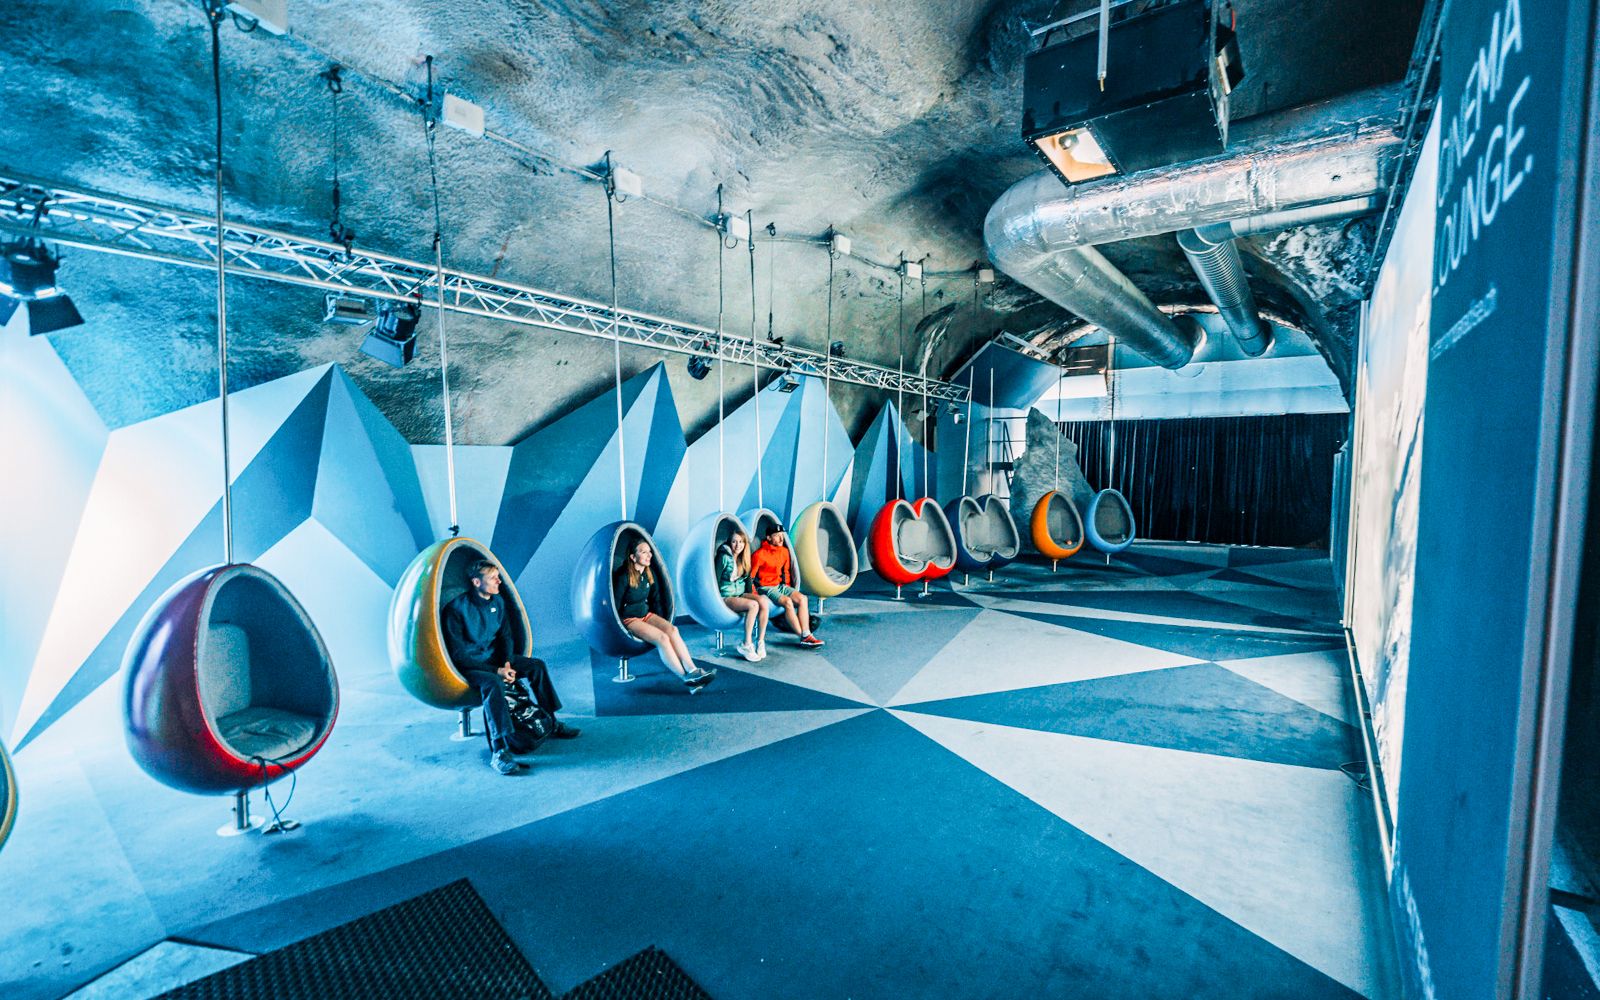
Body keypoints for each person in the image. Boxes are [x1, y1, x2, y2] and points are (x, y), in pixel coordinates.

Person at [441, 559, 580, 776]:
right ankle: (499, 752)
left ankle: (552, 722)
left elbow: (506, 637)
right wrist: (498, 672)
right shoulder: (456, 610)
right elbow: (458, 655)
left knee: (537, 666)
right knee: (494, 684)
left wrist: (505, 663)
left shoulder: (498, 601)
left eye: (498, 576)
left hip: (496, 660)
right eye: (493, 577)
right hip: (471, 665)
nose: (499, 581)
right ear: (477, 582)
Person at [614, 538, 718, 690]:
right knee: (662, 639)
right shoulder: (623, 576)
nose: (649, 555)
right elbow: (615, 605)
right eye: (644, 552)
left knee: (672, 630)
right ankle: (687, 679)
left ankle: (693, 671)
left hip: (645, 614)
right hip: (629, 619)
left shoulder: (650, 574)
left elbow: (655, 600)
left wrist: (662, 622)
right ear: (633, 557)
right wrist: (618, 630)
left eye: (650, 551)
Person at [750, 525, 823, 648]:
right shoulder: (759, 554)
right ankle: (804, 637)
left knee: (803, 599)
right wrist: (754, 594)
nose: (781, 539)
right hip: (766, 587)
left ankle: (806, 633)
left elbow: (786, 572)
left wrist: (789, 589)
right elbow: (751, 577)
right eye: (777, 536)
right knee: (788, 602)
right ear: (769, 538)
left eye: (782, 536)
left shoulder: (784, 552)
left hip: (780, 585)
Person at [717, 528, 769, 662]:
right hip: (725, 596)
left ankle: (760, 641)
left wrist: (750, 597)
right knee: (753, 605)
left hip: (740, 594)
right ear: (730, 542)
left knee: (763, 601)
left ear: (745, 543)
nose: (737, 545)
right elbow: (714, 581)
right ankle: (746, 644)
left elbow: (748, 583)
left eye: (741, 542)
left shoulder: (745, 557)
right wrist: (715, 603)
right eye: (734, 541)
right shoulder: (723, 557)